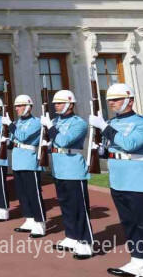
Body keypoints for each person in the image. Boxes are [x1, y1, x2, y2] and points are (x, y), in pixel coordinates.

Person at [90, 84, 143, 277]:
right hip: (119, 179)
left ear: (129, 100)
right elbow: (111, 150)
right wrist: (99, 149)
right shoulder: (109, 122)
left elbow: (130, 144)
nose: (111, 103)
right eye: (109, 100)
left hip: (140, 179)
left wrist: (105, 127)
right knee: (129, 223)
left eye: (116, 100)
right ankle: (138, 260)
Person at [42, 90, 94, 260]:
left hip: (73, 168)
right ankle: (72, 236)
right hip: (59, 168)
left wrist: (50, 128)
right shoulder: (55, 121)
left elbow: (64, 141)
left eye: (60, 102)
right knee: (65, 205)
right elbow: (54, 142)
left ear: (70, 104)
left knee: (78, 207)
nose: (55, 105)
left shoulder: (78, 123)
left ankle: (86, 242)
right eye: (55, 102)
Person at [8, 95, 47, 238]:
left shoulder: (36, 122)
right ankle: (29, 219)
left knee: (33, 194)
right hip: (18, 160)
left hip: (30, 161)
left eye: (19, 106)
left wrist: (11, 127)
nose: (16, 108)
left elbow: (23, 137)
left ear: (28, 107)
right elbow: (13, 139)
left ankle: (40, 222)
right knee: (22, 194)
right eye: (16, 106)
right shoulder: (17, 122)